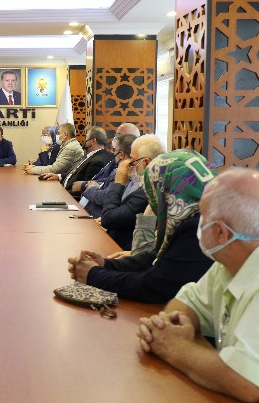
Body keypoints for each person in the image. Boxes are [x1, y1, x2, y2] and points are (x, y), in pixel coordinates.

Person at [137, 169, 259, 402]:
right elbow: (187, 302)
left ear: (220, 232)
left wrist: (173, 347)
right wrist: (171, 325)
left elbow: (249, 382)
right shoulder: (228, 263)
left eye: (202, 216)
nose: (197, 224)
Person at [67, 150, 216, 303]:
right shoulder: (192, 215)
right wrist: (105, 264)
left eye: (154, 190)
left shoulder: (199, 228)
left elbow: (154, 285)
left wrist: (93, 275)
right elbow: (155, 257)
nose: (153, 198)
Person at [98, 134, 164, 250]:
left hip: (122, 249)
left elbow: (108, 219)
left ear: (146, 163)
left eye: (132, 161)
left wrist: (118, 183)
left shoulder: (148, 192)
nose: (128, 165)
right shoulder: (151, 184)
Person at [36, 126, 112, 192]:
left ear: (93, 141)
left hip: (71, 196)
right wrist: (58, 176)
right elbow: (75, 173)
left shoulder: (98, 161)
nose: (84, 141)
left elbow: (85, 188)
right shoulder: (91, 155)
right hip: (64, 189)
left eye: (86, 138)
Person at [73, 122, 141, 194]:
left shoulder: (130, 168)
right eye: (115, 135)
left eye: (118, 135)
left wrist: (86, 185)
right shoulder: (114, 157)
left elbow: (111, 185)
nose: (115, 138)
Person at [80, 133, 136, 219]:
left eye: (114, 150)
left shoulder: (123, 172)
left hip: (97, 218)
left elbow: (107, 198)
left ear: (121, 155)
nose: (112, 153)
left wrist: (91, 188)